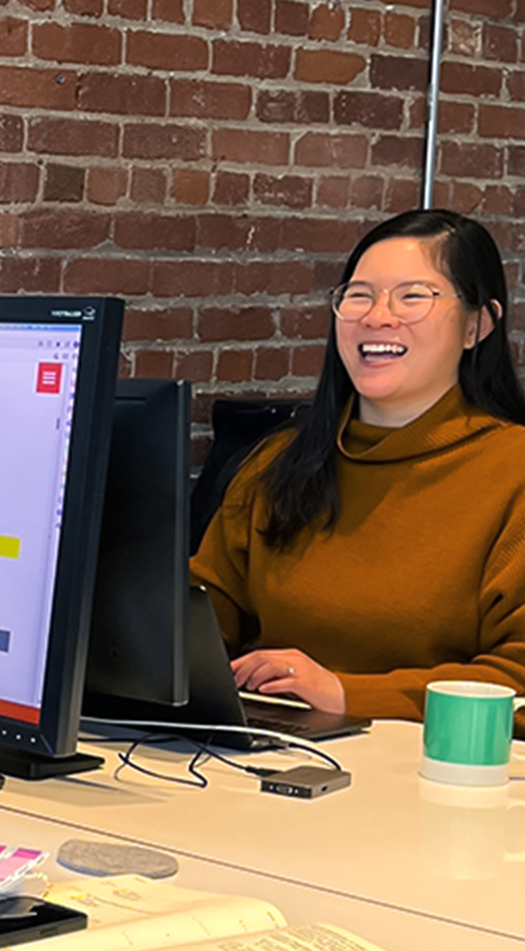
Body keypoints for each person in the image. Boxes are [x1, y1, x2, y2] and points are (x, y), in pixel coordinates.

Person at [191, 206, 525, 721]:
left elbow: (516, 680)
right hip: (269, 759)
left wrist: (345, 695)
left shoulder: (511, 470)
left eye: (413, 296)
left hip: (435, 776)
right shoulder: (278, 463)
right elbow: (198, 615)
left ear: (477, 326)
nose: (377, 316)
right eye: (359, 295)